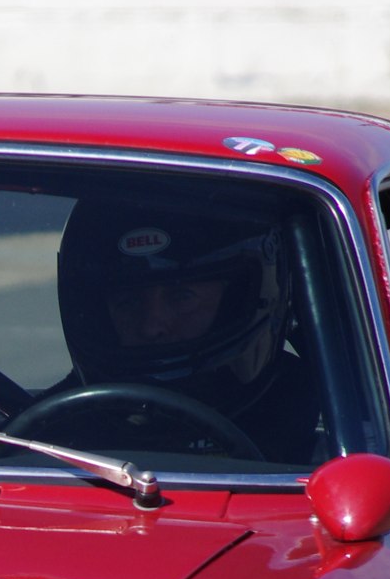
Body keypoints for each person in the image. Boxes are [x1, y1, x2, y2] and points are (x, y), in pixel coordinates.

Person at [52, 196, 324, 465]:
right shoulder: (51, 427)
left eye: (182, 297)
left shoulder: (331, 416)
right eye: (128, 301)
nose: (152, 326)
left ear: (237, 300)